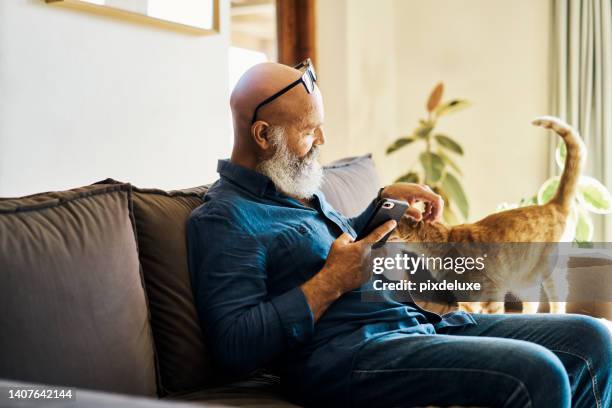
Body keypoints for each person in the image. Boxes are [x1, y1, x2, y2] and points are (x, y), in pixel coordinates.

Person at [187, 60, 611, 408]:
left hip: (413, 324)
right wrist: (329, 283)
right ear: (263, 135)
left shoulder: (293, 185)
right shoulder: (225, 219)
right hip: (350, 356)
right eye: (308, 131)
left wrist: (381, 204)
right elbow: (234, 344)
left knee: (593, 339)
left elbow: (331, 246)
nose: (323, 140)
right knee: (540, 371)